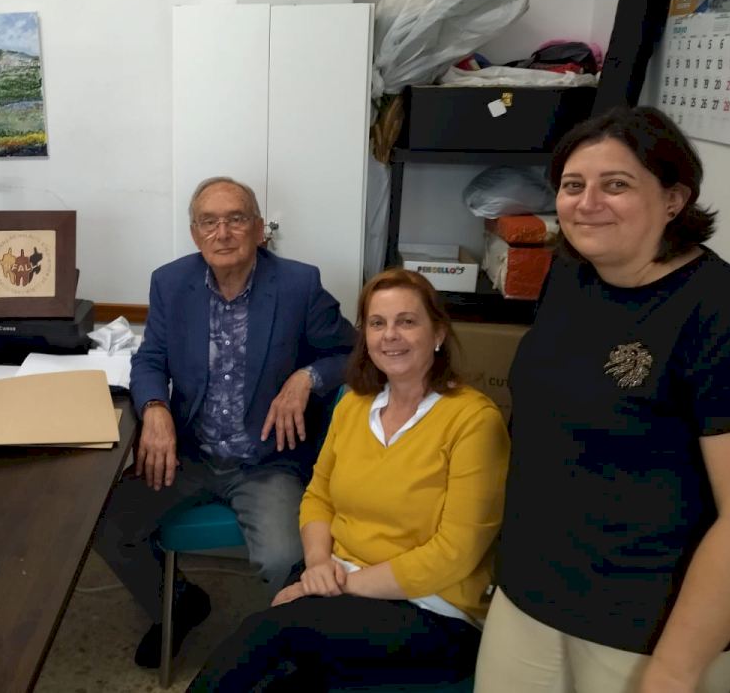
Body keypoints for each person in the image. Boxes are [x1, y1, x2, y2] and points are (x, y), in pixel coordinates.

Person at [475, 106, 730, 693]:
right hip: (531, 595)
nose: (587, 202)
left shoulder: (723, 312)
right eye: (573, 185)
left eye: (616, 184)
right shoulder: (570, 274)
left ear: (673, 198)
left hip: (648, 626)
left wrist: (674, 670)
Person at [188, 268, 510, 690]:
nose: (390, 335)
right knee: (280, 675)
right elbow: (318, 497)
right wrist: (318, 565)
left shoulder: (474, 421)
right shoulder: (356, 405)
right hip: (342, 579)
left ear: (438, 333)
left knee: (270, 635)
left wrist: (333, 586)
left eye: (407, 321)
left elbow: (455, 554)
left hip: (433, 609)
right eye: (377, 323)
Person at [95, 176, 355, 668]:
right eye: (208, 222)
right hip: (190, 453)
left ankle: (295, 649)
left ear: (259, 228)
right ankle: (178, 603)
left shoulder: (298, 285)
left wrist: (307, 377)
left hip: (267, 460)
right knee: (108, 527)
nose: (223, 233)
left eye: (236, 219)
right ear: (195, 233)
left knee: (283, 557)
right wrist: (155, 408)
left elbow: (351, 353)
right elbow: (149, 359)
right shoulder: (171, 283)